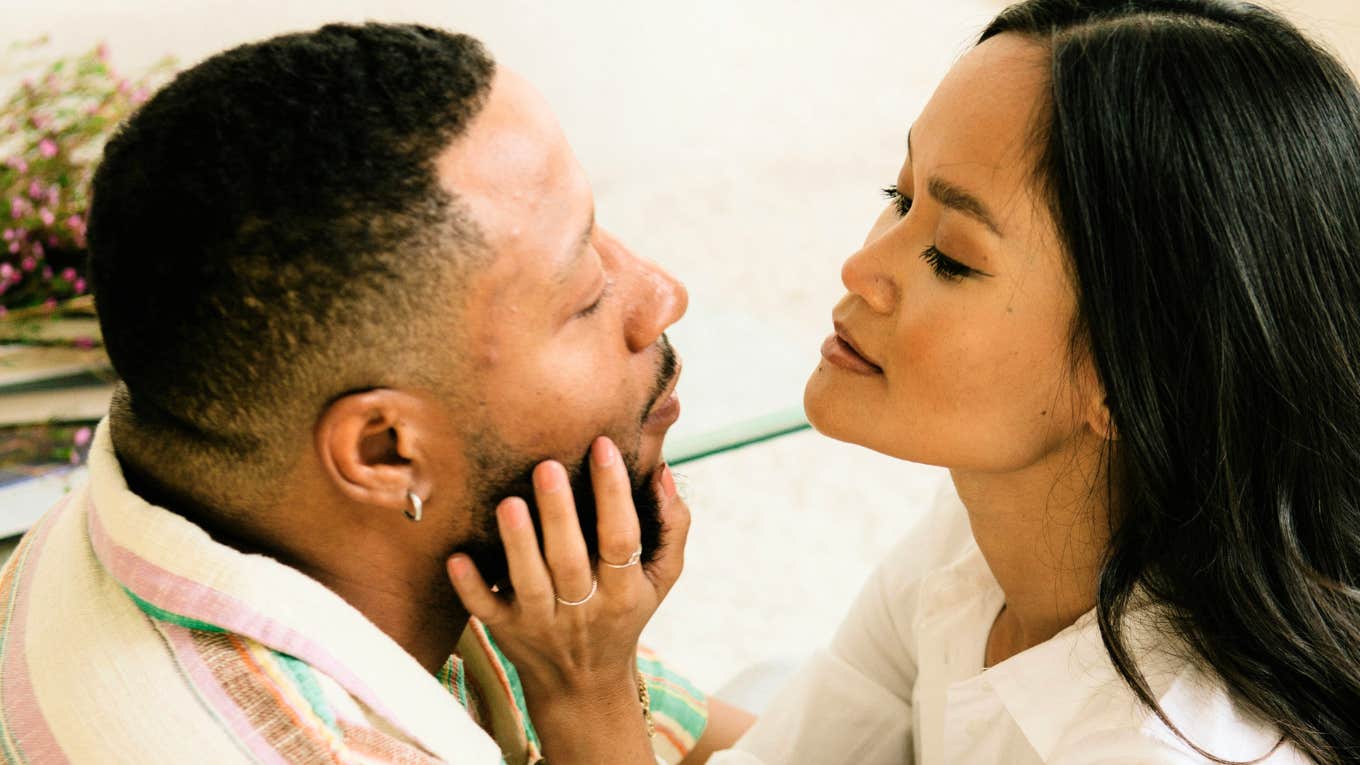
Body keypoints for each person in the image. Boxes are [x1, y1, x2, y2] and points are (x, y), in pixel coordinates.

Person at [455, 1, 1360, 762]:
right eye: (899, 197)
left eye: (952, 257)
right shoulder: (989, 530)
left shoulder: (1169, 743)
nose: (861, 267)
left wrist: (587, 693)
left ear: (1133, 375)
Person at [0, 23, 753, 764]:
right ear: (387, 451)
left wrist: (594, 670)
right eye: (585, 296)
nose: (662, 293)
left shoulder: (197, 503)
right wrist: (591, 705)